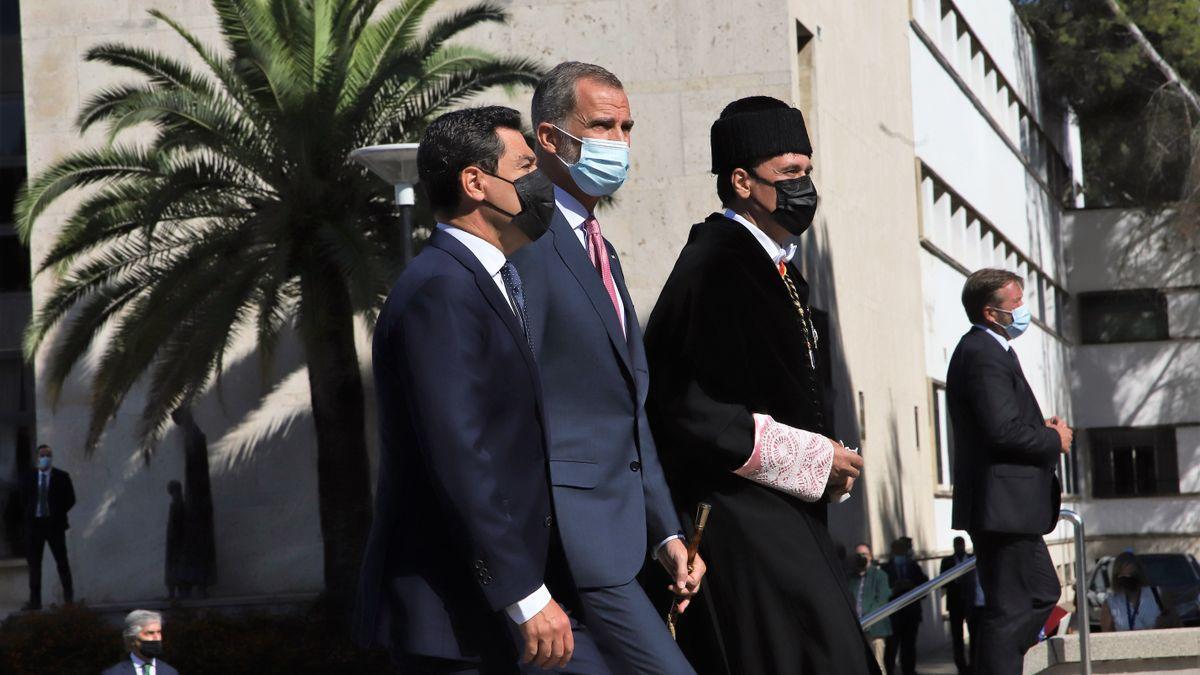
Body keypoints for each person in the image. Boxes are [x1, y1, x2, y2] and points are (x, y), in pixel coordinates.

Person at [354, 106, 609, 673]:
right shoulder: (440, 290)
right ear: (475, 182)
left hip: (495, 612)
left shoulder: (486, 280)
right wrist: (524, 593)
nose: (541, 181)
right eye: (525, 166)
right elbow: (459, 452)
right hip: (456, 618)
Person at [642, 94, 876, 674]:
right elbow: (682, 404)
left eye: (808, 171)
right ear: (742, 181)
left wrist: (829, 462)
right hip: (740, 518)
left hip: (787, 514)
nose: (804, 186)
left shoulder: (777, 265)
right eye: (789, 173)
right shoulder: (715, 264)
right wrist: (809, 457)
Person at [510, 62, 703, 674]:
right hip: (564, 545)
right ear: (549, 138)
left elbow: (628, 408)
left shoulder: (601, 247)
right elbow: (512, 399)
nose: (618, 143)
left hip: (620, 543)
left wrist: (666, 534)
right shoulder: (524, 240)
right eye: (600, 126)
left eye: (626, 127)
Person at [947, 268, 1073, 675]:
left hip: (1010, 509)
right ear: (990, 313)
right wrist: (1055, 440)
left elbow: (1003, 425)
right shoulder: (982, 353)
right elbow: (1001, 431)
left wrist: (1043, 431)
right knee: (1018, 604)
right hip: (1003, 509)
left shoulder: (994, 350)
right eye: (1015, 303)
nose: (1023, 311)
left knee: (1040, 593)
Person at [19, 444, 74, 610]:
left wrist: (55, 513)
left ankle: (69, 600)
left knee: (62, 562)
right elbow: (23, 498)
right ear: (37, 458)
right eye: (42, 455)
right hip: (34, 527)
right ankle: (35, 602)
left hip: (54, 526)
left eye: (48, 455)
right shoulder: (29, 477)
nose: (45, 458)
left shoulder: (62, 476)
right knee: (34, 565)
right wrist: (30, 514)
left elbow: (70, 499)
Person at [882, 537, 928, 675]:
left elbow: (924, 587)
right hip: (893, 616)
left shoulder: (914, 567)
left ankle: (909, 671)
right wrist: (894, 589)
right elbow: (882, 592)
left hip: (911, 614)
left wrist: (912, 586)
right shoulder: (885, 569)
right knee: (891, 648)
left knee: (909, 647)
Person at [1099, 552, 1172, 631]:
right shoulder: (1111, 603)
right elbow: (1107, 637)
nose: (1128, 580)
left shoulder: (1157, 594)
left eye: (1132, 575)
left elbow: (1177, 624)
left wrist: (1166, 623)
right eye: (1124, 577)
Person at [849, 543, 892, 670]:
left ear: (870, 556)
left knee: (877, 665)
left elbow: (882, 600)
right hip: (856, 630)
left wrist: (867, 620)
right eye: (858, 555)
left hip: (875, 629)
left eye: (864, 554)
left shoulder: (880, 575)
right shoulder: (850, 577)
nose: (861, 557)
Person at [102, 609, 179, 675]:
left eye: (159, 632)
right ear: (132, 638)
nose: (157, 638)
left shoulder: (170, 672)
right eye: (150, 633)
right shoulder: (114, 673)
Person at [940, 536, 976, 674]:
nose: (959, 547)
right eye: (957, 545)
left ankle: (973, 663)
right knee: (957, 636)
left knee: (974, 634)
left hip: (971, 603)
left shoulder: (971, 558)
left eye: (961, 544)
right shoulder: (947, 561)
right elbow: (943, 581)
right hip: (955, 603)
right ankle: (961, 664)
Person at [165, 480, 187, 600]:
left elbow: (176, 524)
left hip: (176, 542)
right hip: (175, 541)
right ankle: (175, 591)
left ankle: (176, 591)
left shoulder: (177, 505)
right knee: (174, 567)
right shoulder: (177, 504)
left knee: (175, 567)